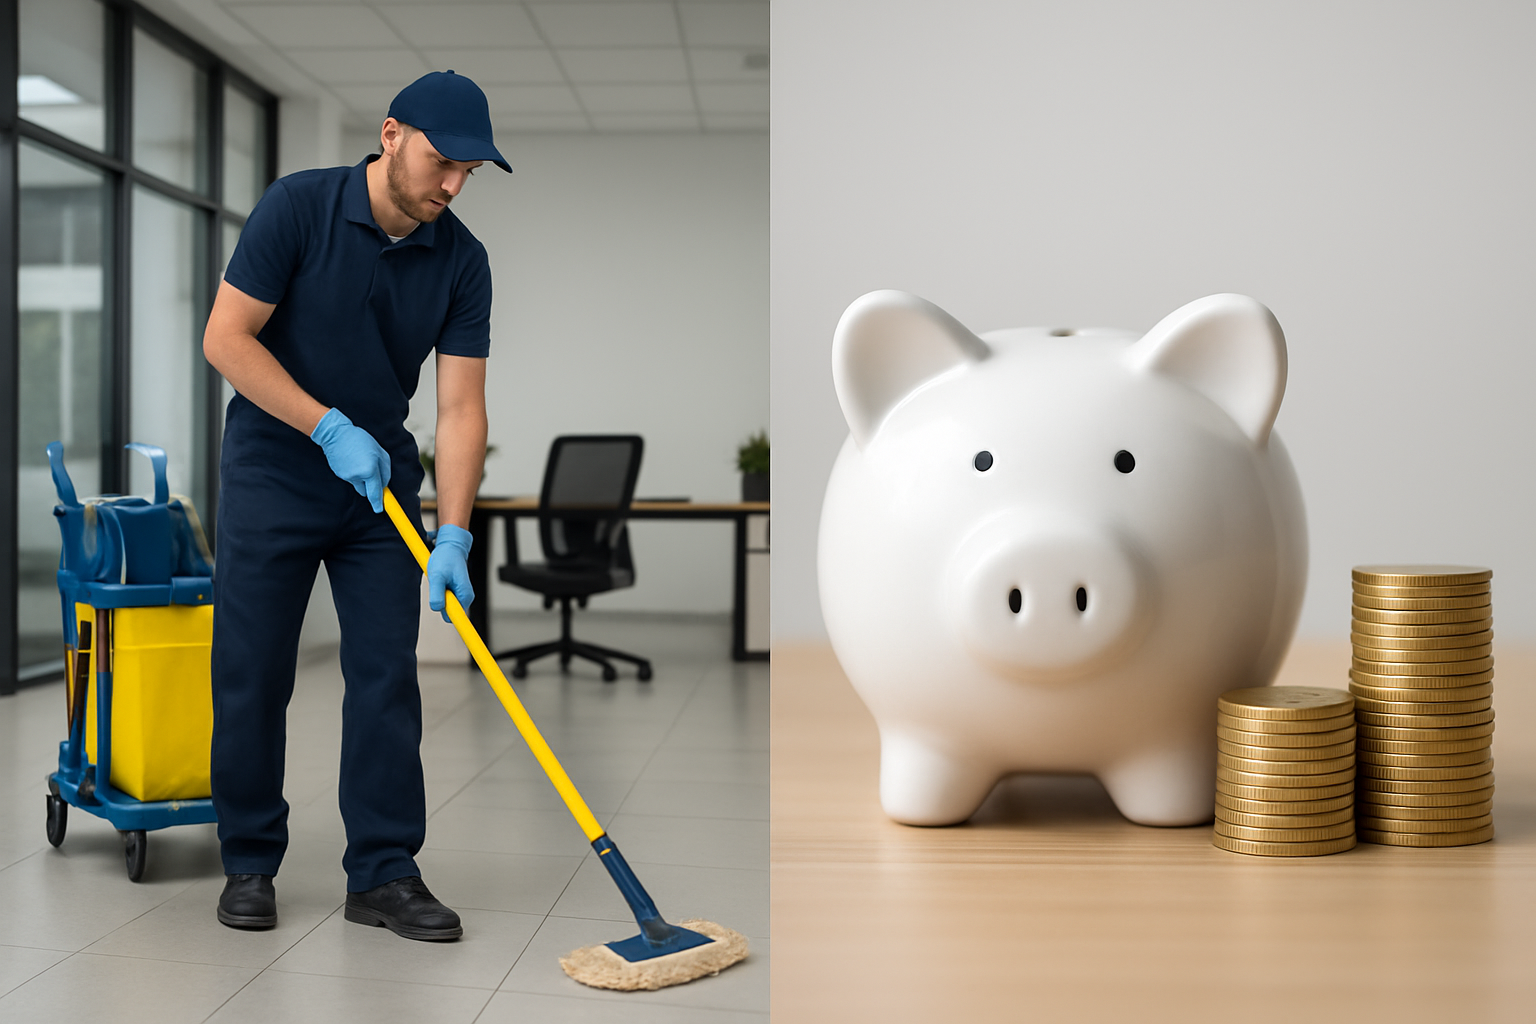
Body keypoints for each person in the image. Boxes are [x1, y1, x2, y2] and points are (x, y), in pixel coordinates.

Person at [200, 71, 509, 941]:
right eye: (443, 162)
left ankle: (382, 872)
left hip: (380, 491)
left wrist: (453, 532)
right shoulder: (297, 208)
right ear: (390, 135)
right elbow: (226, 339)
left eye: (468, 173)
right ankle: (250, 859)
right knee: (253, 673)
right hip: (273, 468)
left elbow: (459, 409)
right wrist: (325, 424)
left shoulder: (463, 261)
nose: (452, 185)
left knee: (385, 678)